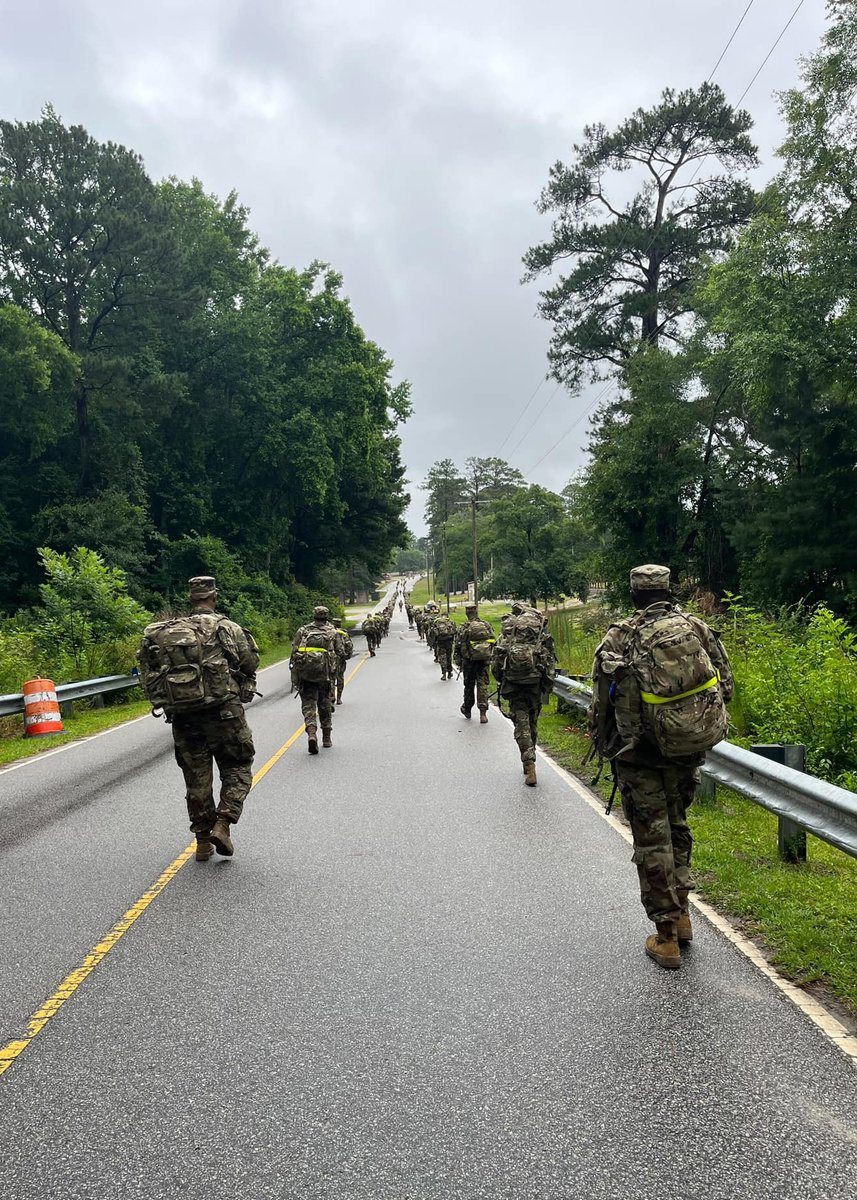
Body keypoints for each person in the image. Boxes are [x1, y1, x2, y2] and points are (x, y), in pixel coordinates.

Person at [588, 564, 733, 971]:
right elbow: (726, 686)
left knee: (652, 840)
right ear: (667, 591)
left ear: (634, 594)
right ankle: (683, 913)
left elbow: (601, 702)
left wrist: (604, 746)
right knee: (678, 824)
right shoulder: (697, 629)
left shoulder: (620, 636)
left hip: (639, 756)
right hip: (686, 751)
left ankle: (666, 935)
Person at [137, 576, 258, 861]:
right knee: (238, 766)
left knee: (196, 778)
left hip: (184, 715)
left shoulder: (168, 632)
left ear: (190, 599)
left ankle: (202, 841)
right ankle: (223, 824)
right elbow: (250, 662)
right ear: (214, 597)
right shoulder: (226, 626)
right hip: (225, 712)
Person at [491, 602, 556, 787]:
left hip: (513, 685)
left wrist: (500, 679)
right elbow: (550, 664)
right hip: (534, 685)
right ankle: (531, 755)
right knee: (532, 721)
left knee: (521, 722)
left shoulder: (505, 639)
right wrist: (547, 685)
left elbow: (496, 666)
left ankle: (529, 762)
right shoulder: (541, 640)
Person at [290, 605, 344, 753]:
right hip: (325, 676)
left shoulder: (303, 631)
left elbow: (294, 652)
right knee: (324, 704)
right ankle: (326, 738)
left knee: (308, 705)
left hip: (306, 675)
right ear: (326, 616)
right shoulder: (332, 631)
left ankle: (312, 733)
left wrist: (295, 675)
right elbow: (341, 651)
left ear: (314, 615)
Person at [455, 602, 495, 722]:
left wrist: (458, 658)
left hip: (469, 661)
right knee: (482, 685)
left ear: (467, 613)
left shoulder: (464, 627)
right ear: (477, 611)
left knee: (469, 685)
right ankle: (483, 713)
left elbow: (458, 644)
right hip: (483, 660)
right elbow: (493, 641)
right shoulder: (486, 625)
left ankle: (467, 709)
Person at [331, 617, 354, 703]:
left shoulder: (328, 632)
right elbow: (349, 646)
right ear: (340, 624)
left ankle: (331, 695)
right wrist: (346, 656)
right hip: (340, 659)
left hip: (329, 659)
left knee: (331, 678)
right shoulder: (343, 633)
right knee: (340, 678)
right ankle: (339, 698)